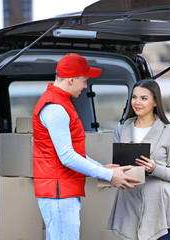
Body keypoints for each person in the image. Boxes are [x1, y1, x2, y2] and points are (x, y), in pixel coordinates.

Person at [32, 53, 141, 240]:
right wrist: (109, 176)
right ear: (71, 79)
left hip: (63, 192)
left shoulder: (62, 103)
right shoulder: (56, 108)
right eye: (84, 81)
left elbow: (73, 152)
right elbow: (66, 156)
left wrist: (101, 168)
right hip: (59, 193)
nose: (85, 86)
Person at [107, 79, 170, 240]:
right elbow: (118, 168)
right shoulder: (121, 130)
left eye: (144, 98)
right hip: (128, 206)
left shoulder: (169, 131)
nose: (137, 102)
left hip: (158, 209)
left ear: (155, 102)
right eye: (134, 97)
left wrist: (154, 168)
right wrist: (109, 171)